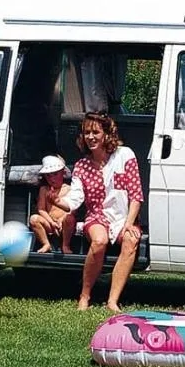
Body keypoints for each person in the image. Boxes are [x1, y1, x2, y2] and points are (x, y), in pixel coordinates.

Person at [56, 112, 143, 312]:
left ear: (106, 134)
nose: (91, 137)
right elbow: (76, 199)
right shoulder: (81, 165)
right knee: (99, 240)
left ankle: (112, 300)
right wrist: (59, 202)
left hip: (123, 216)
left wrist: (129, 223)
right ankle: (85, 295)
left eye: (96, 132)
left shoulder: (125, 155)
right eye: (87, 132)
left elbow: (136, 194)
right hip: (97, 216)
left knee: (131, 240)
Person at [28, 154, 76, 254]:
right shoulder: (44, 190)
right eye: (48, 175)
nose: (52, 179)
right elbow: (41, 209)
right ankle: (46, 243)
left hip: (64, 224)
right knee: (33, 219)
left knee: (70, 218)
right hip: (50, 223)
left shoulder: (69, 189)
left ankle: (65, 245)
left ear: (63, 173)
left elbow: (73, 208)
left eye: (55, 174)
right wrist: (51, 222)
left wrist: (61, 220)